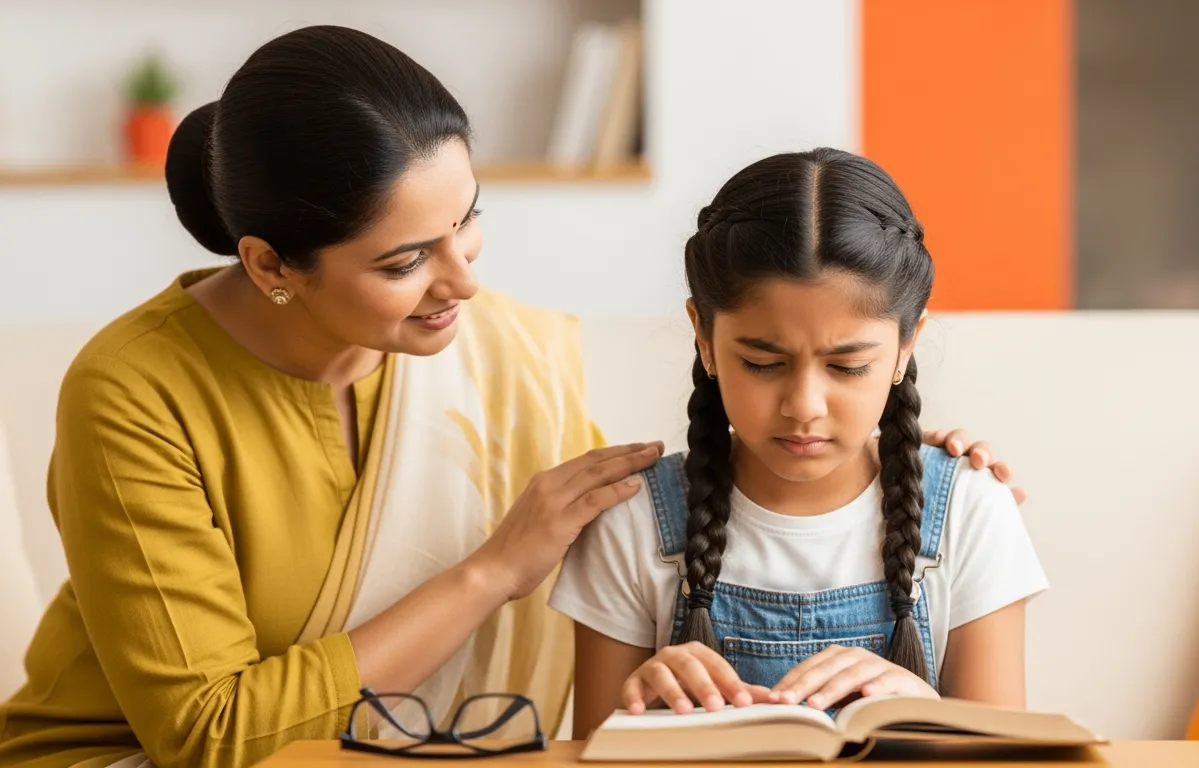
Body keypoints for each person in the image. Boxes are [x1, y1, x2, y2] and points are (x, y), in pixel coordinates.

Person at [0, 27, 1023, 768]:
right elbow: (211, 740)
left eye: (468, 223)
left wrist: (878, 449)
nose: (463, 282)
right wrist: (490, 574)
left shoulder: (492, 350)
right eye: (406, 258)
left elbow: (675, 506)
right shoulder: (134, 395)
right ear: (271, 263)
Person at [550, 148, 1049, 738]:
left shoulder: (969, 510)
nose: (804, 405)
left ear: (905, 347)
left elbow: (1016, 759)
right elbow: (591, 753)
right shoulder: (633, 522)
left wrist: (927, 713)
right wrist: (640, 718)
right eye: (763, 362)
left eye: (847, 366)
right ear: (704, 338)